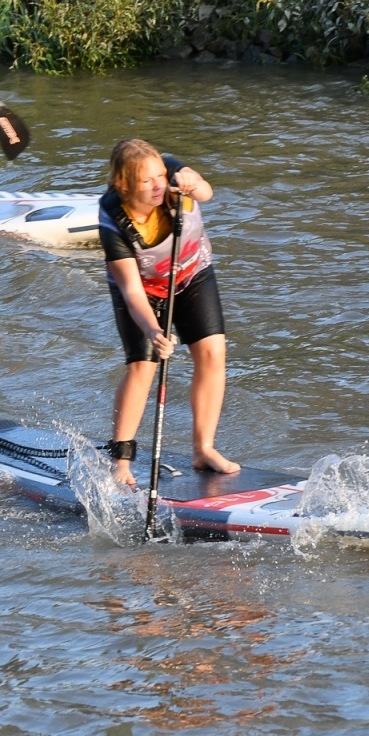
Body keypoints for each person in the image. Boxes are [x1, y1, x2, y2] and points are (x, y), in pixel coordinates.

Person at [98, 138, 240, 487]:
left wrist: (193, 181)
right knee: (142, 367)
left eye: (161, 176)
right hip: (144, 291)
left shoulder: (174, 175)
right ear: (124, 185)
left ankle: (204, 448)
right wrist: (152, 331)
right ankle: (121, 460)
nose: (159, 185)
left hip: (192, 273)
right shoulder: (112, 220)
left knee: (212, 352)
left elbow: (205, 192)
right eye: (147, 181)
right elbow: (131, 291)